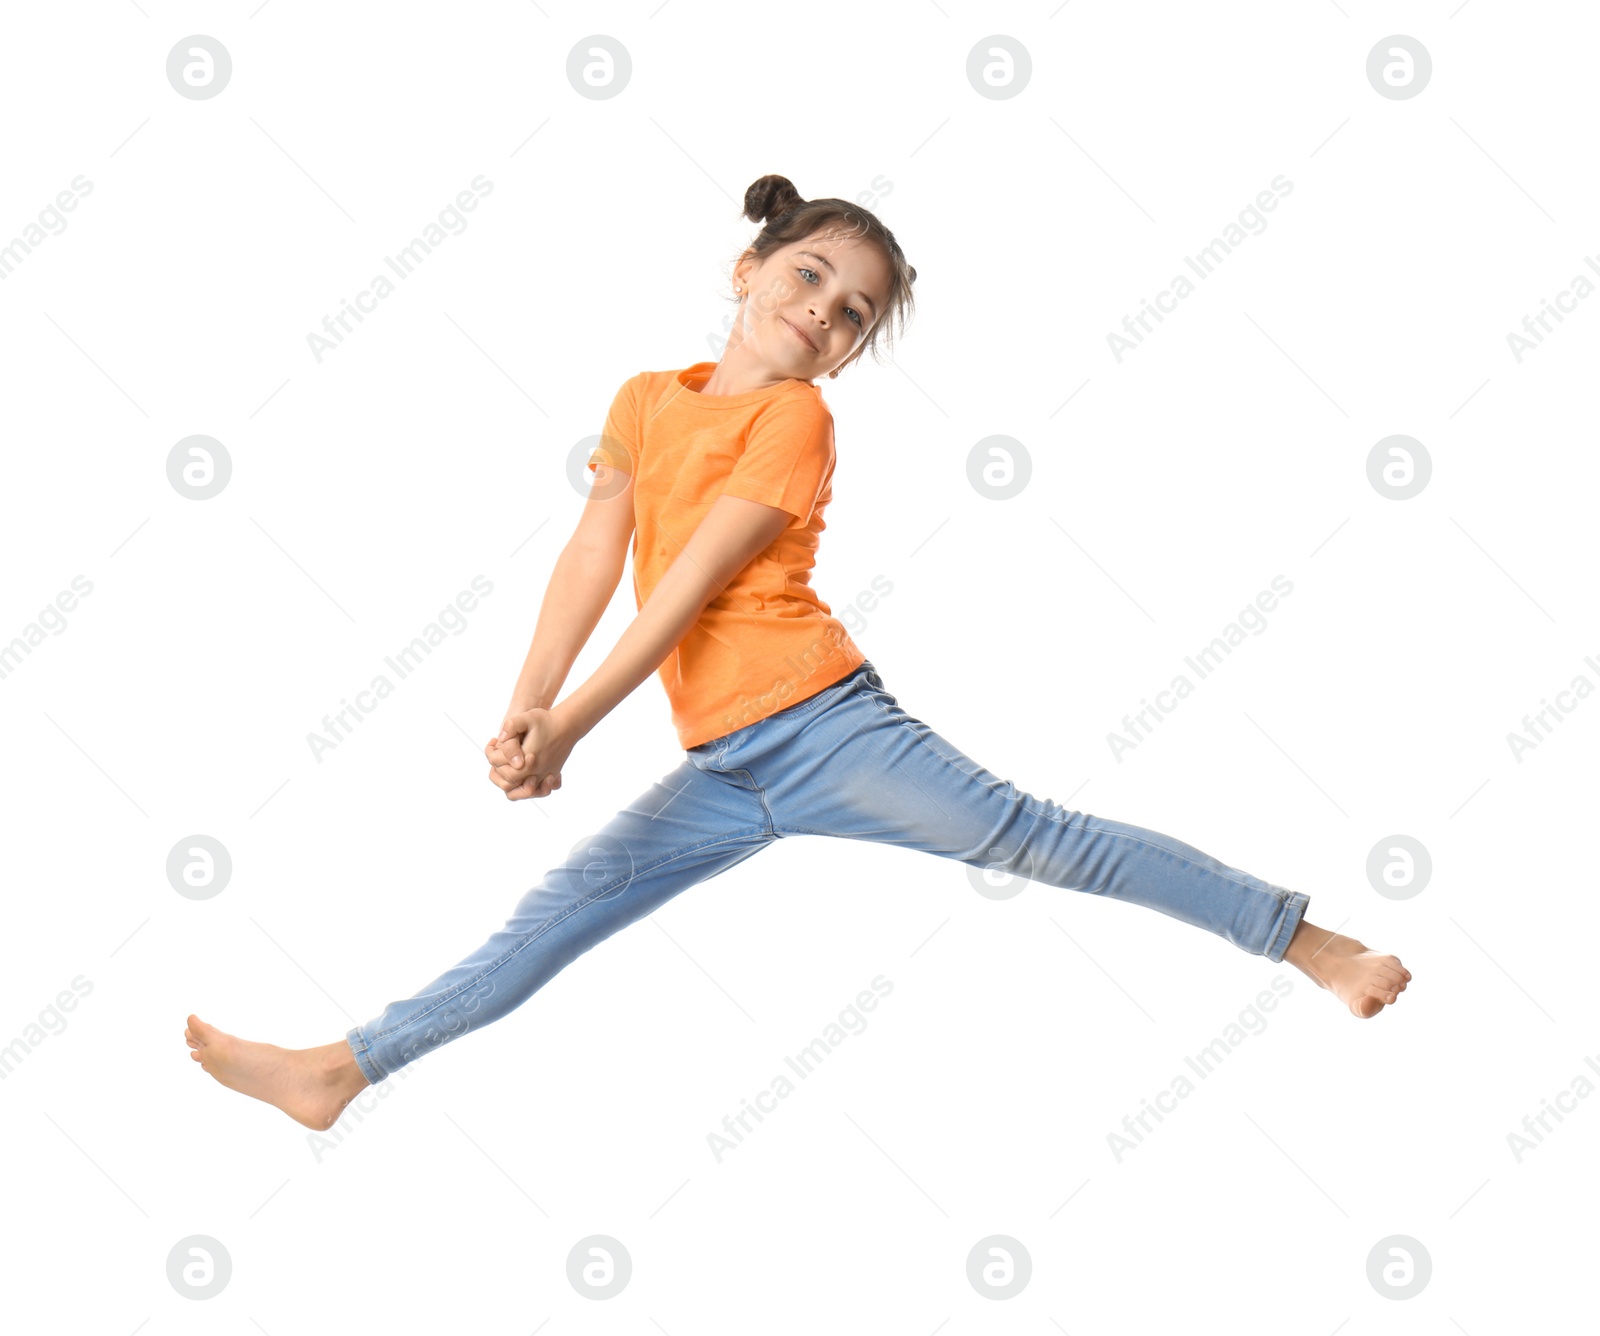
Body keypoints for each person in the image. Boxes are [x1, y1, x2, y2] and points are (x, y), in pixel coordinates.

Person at [186, 174, 1411, 1132]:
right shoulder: (645, 398)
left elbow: (685, 589)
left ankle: (1310, 943)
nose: (823, 308)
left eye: (852, 311)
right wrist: (525, 706)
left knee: (1041, 838)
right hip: (724, 763)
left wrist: (574, 730)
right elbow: (594, 552)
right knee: (547, 921)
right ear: (748, 268)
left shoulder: (795, 417)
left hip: (821, 727)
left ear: (849, 351)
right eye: (810, 275)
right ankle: (339, 1072)